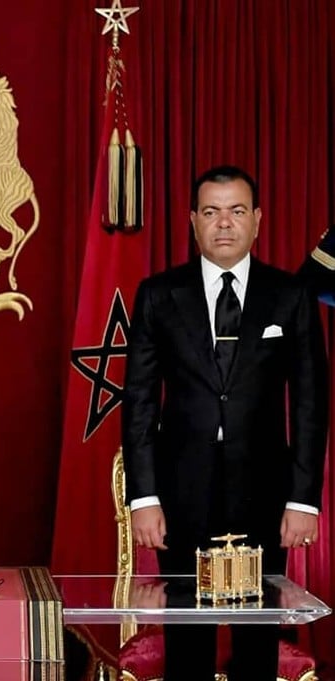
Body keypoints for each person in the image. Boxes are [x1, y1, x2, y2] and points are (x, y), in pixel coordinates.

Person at [121, 165, 328, 680]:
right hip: (181, 491)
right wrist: (144, 499)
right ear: (193, 222)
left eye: (237, 212)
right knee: (187, 635)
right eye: (211, 212)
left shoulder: (291, 296)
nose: (224, 224)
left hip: (264, 490)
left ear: (256, 220)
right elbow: (140, 402)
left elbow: (309, 403)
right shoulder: (159, 295)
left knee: (257, 636)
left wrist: (303, 500)